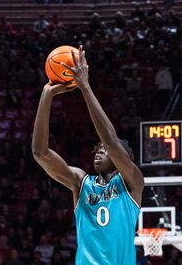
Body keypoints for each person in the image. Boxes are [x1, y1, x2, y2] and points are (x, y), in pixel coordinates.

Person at [32, 46, 144, 264]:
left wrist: (85, 87)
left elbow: (111, 141)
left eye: (105, 149)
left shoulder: (132, 183)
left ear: (123, 157)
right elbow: (40, 152)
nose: (100, 150)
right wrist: (46, 95)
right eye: (97, 148)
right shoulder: (81, 183)